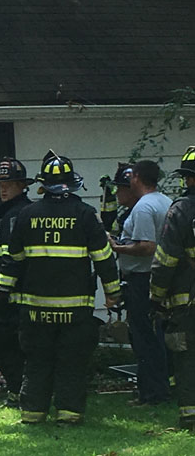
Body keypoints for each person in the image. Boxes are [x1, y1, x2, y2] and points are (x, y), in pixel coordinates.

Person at [0, 150, 120, 425]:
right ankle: (68, 414)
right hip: (75, 311)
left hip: (35, 310)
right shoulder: (86, 215)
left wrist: (3, 296)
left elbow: (12, 262)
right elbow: (103, 259)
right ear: (72, 183)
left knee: (37, 362)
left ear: (43, 185)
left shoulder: (26, 215)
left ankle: (32, 413)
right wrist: (113, 293)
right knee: (71, 362)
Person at [108, 161, 171, 405]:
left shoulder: (144, 208)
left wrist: (117, 246)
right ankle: (162, 387)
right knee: (157, 337)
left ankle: (152, 394)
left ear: (136, 178)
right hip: (161, 279)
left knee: (144, 338)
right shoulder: (164, 201)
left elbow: (147, 246)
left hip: (142, 280)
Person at [150, 146, 195, 431]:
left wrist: (155, 297)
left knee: (187, 359)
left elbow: (165, 260)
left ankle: (191, 418)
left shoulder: (181, 210)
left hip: (186, 304)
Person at [0, 157, 33, 408]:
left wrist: (1, 292)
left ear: (22, 185)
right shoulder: (8, 214)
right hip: (10, 295)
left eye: (10, 184)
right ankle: (18, 392)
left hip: (14, 298)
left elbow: (12, 260)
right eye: (1, 184)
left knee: (6, 349)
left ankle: (20, 393)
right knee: (9, 350)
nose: (4, 188)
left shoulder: (18, 215)